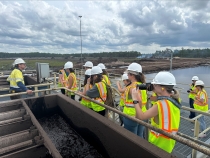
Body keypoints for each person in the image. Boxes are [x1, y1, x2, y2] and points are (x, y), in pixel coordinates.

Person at [132, 71, 181, 153]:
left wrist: (135, 99)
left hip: (158, 143)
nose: (152, 85)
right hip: (169, 143)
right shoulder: (175, 99)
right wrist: (154, 92)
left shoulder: (160, 105)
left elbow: (140, 117)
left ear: (163, 88)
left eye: (155, 84)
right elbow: (164, 97)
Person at [123, 62, 147, 138]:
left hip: (132, 115)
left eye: (128, 74)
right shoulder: (142, 84)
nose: (127, 75)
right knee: (139, 136)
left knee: (132, 138)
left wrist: (137, 116)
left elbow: (139, 101)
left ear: (132, 75)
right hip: (143, 114)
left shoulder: (132, 87)